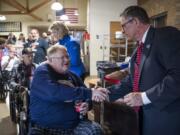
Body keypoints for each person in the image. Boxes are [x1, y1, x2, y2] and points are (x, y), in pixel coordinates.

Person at [108, 5, 180, 135]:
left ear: (135, 22)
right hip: (144, 118)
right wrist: (106, 93)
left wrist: (144, 97)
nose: (122, 31)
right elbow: (132, 80)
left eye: (123, 26)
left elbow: (177, 76)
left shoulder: (166, 36)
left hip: (165, 119)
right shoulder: (137, 49)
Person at [29, 45, 108, 135]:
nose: (67, 60)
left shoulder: (73, 76)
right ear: (51, 60)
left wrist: (87, 104)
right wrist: (90, 92)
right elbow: (53, 93)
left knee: (96, 130)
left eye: (67, 56)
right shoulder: (41, 72)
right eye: (62, 57)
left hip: (73, 125)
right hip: (45, 127)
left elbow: (87, 96)